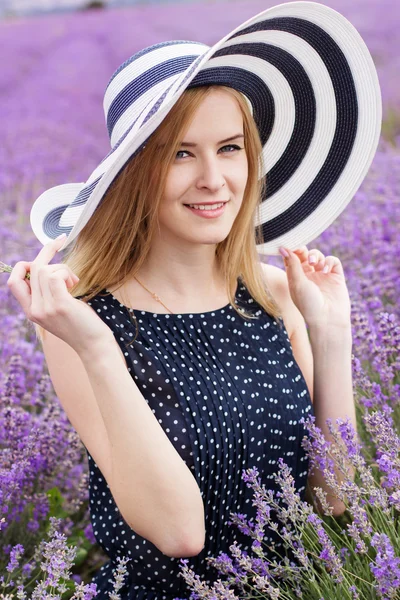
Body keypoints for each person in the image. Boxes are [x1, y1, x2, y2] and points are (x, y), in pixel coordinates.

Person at [7, 2, 381, 598]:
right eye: (181, 153)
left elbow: (336, 500)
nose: (214, 179)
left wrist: (331, 336)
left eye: (230, 148)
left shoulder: (277, 293)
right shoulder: (82, 322)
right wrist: (100, 349)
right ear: (132, 174)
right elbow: (178, 534)